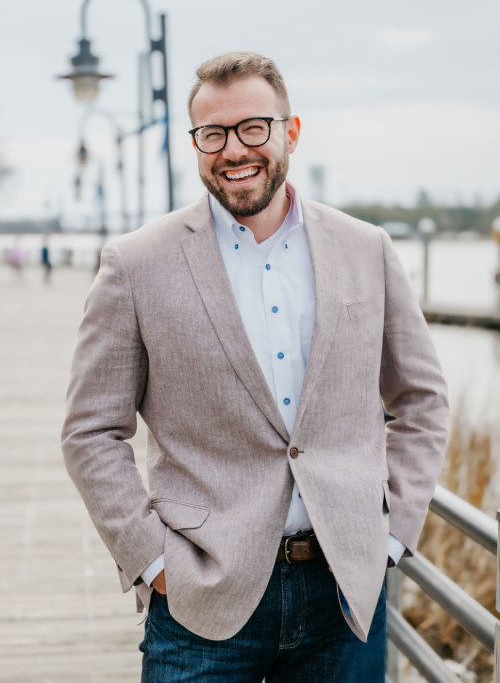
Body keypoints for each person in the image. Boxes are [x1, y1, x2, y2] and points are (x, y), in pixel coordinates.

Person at [62, 52, 449, 682]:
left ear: (289, 132)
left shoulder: (365, 248)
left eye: (252, 128)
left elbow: (422, 401)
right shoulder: (135, 265)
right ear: (195, 144)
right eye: (212, 134)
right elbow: (90, 431)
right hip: (202, 599)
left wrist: (392, 535)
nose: (233, 149)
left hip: (344, 593)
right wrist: (151, 560)